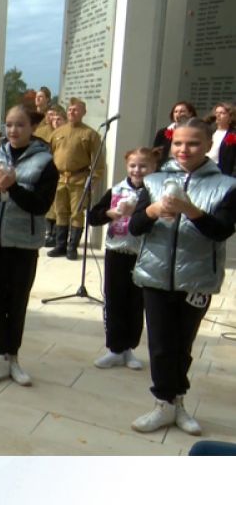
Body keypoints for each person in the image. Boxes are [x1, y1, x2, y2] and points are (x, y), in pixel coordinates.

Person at [129, 118, 236, 435]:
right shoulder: (154, 180)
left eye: (192, 143)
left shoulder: (227, 185)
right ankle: (164, 404)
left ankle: (177, 401)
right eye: (178, 143)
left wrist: (191, 210)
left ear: (207, 145)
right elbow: (134, 227)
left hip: (197, 277)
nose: (184, 149)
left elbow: (221, 231)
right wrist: (152, 211)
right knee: (161, 344)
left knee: (182, 344)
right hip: (155, 273)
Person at [0, 105, 59, 386]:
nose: (13, 130)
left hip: (23, 243)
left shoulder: (45, 162)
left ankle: (14, 357)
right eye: (9, 124)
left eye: (20, 124)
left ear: (32, 127)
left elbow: (40, 206)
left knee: (17, 302)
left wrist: (13, 187)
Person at [87, 147, 157, 370]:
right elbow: (93, 216)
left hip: (142, 253)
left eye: (143, 166)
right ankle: (115, 348)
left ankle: (129, 348)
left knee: (136, 301)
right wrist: (109, 214)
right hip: (116, 251)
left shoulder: (155, 192)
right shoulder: (116, 189)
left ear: (153, 167)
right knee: (115, 298)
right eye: (133, 166)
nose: (138, 170)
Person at [47, 98, 103, 260]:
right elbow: (49, 157)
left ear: (83, 113)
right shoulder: (57, 133)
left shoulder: (90, 134)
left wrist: (93, 181)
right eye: (70, 109)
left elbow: (98, 162)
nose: (72, 112)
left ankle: (73, 247)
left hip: (79, 180)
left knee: (77, 214)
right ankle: (60, 245)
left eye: (76, 110)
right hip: (59, 179)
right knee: (60, 212)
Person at [35, 103, 65, 247]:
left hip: (63, 174)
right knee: (48, 205)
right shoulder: (42, 132)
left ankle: (58, 236)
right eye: (51, 115)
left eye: (57, 116)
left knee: (59, 207)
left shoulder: (64, 132)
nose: (54, 119)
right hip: (45, 170)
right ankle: (48, 233)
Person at [206, 102, 236, 176]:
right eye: (216, 113)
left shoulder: (233, 134)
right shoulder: (209, 131)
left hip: (221, 171)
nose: (218, 115)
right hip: (205, 168)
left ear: (230, 117)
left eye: (222, 113)